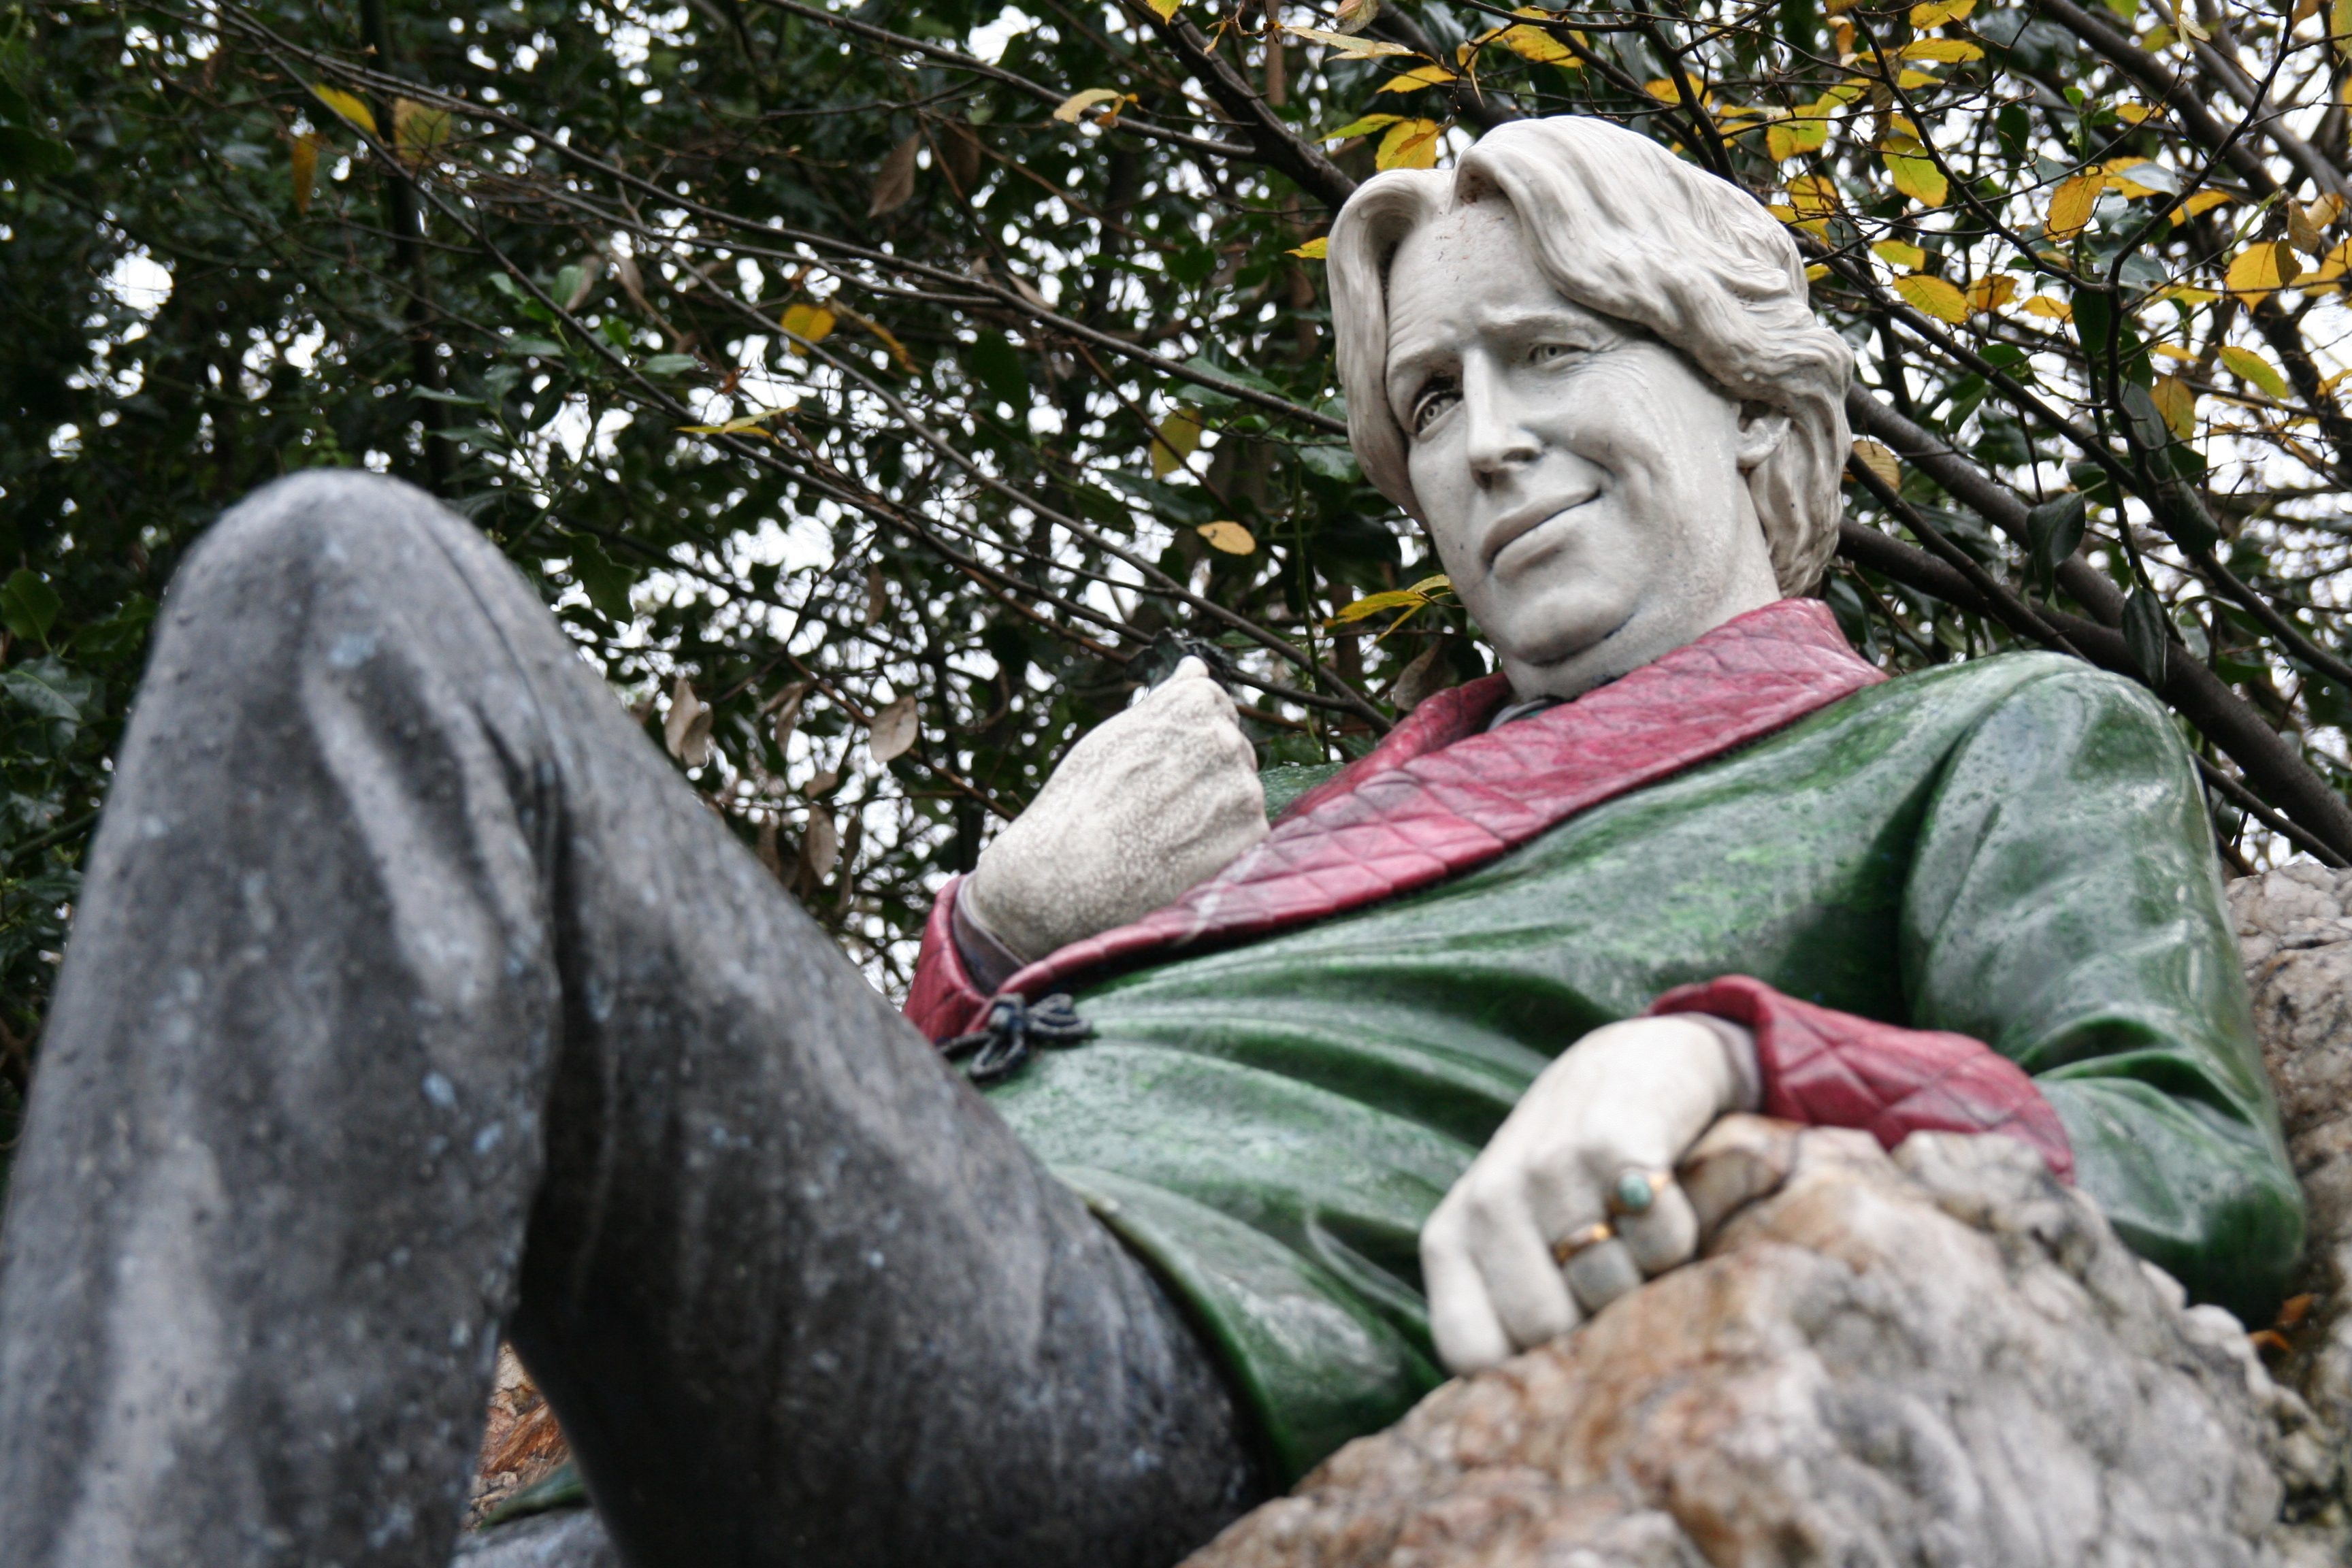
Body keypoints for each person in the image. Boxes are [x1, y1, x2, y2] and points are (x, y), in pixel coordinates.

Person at [0, 115, 2299, 1568]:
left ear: (1754, 404)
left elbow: (2182, 1151)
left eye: (1552, 352)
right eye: (1431, 399)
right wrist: (1000, 935)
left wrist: (1720, 1057)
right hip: (668, 1476)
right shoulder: (1302, 837)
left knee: (348, 594)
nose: (1483, 444)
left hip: (1132, 1391)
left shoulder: (1982, 736)